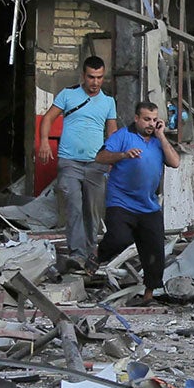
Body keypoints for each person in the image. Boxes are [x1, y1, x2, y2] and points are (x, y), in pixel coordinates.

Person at [96, 100, 179, 298]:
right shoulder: (123, 136)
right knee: (119, 238)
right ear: (136, 118)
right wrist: (123, 155)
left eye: (154, 119)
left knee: (154, 251)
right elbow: (100, 157)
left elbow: (175, 162)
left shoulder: (159, 140)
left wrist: (161, 135)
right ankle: (96, 257)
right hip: (121, 201)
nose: (150, 124)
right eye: (146, 119)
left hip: (148, 205)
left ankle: (148, 295)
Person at [51, 57, 118, 272]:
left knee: (92, 210)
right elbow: (47, 119)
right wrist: (44, 142)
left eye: (99, 77)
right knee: (73, 206)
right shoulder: (68, 95)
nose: (95, 82)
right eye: (91, 77)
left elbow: (112, 133)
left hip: (96, 163)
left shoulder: (108, 102)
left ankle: (91, 253)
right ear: (83, 75)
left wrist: (112, 158)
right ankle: (77, 254)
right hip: (69, 161)